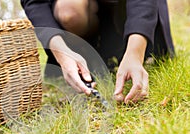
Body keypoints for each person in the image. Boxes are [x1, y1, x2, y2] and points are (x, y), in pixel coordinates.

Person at [20, 0, 175, 103]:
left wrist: (136, 51)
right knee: (69, 11)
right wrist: (61, 52)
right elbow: (35, 2)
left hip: (123, 11)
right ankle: (90, 60)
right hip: (87, 19)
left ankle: (127, 53)